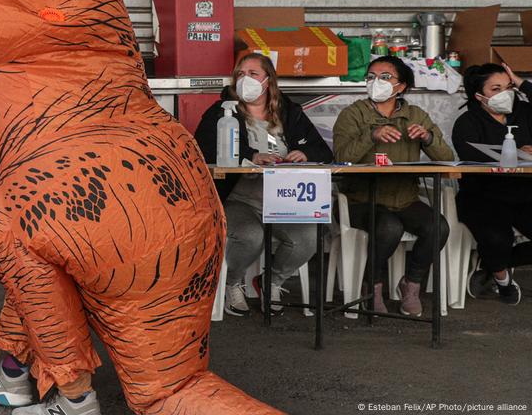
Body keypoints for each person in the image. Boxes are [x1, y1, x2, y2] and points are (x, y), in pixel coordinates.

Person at [195, 53, 332, 317]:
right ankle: (233, 282)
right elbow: (203, 148)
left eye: (253, 74)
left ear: (268, 80)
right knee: (250, 236)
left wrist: (304, 155)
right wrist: (250, 156)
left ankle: (272, 281)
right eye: (240, 74)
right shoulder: (221, 112)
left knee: (308, 237)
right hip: (238, 199)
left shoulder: (290, 112)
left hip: (284, 200)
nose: (245, 79)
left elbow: (322, 151)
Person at [332, 56, 453, 316]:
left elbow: (447, 159)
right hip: (359, 201)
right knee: (388, 226)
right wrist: (371, 135)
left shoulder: (415, 115)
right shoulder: (353, 114)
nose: (376, 82)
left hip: (404, 198)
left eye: (385, 77)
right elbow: (340, 158)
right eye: (371, 76)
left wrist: (428, 138)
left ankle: (411, 285)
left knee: (438, 226)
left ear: (402, 87)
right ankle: (371, 288)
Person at [451, 62, 530, 305]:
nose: (505, 94)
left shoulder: (525, 113)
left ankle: (491, 263)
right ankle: (502, 279)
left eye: (509, 87)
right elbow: (472, 159)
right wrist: (516, 153)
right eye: (496, 89)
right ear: (479, 95)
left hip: (525, 195)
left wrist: (522, 83)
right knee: (497, 238)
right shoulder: (467, 123)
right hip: (482, 196)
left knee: (498, 249)